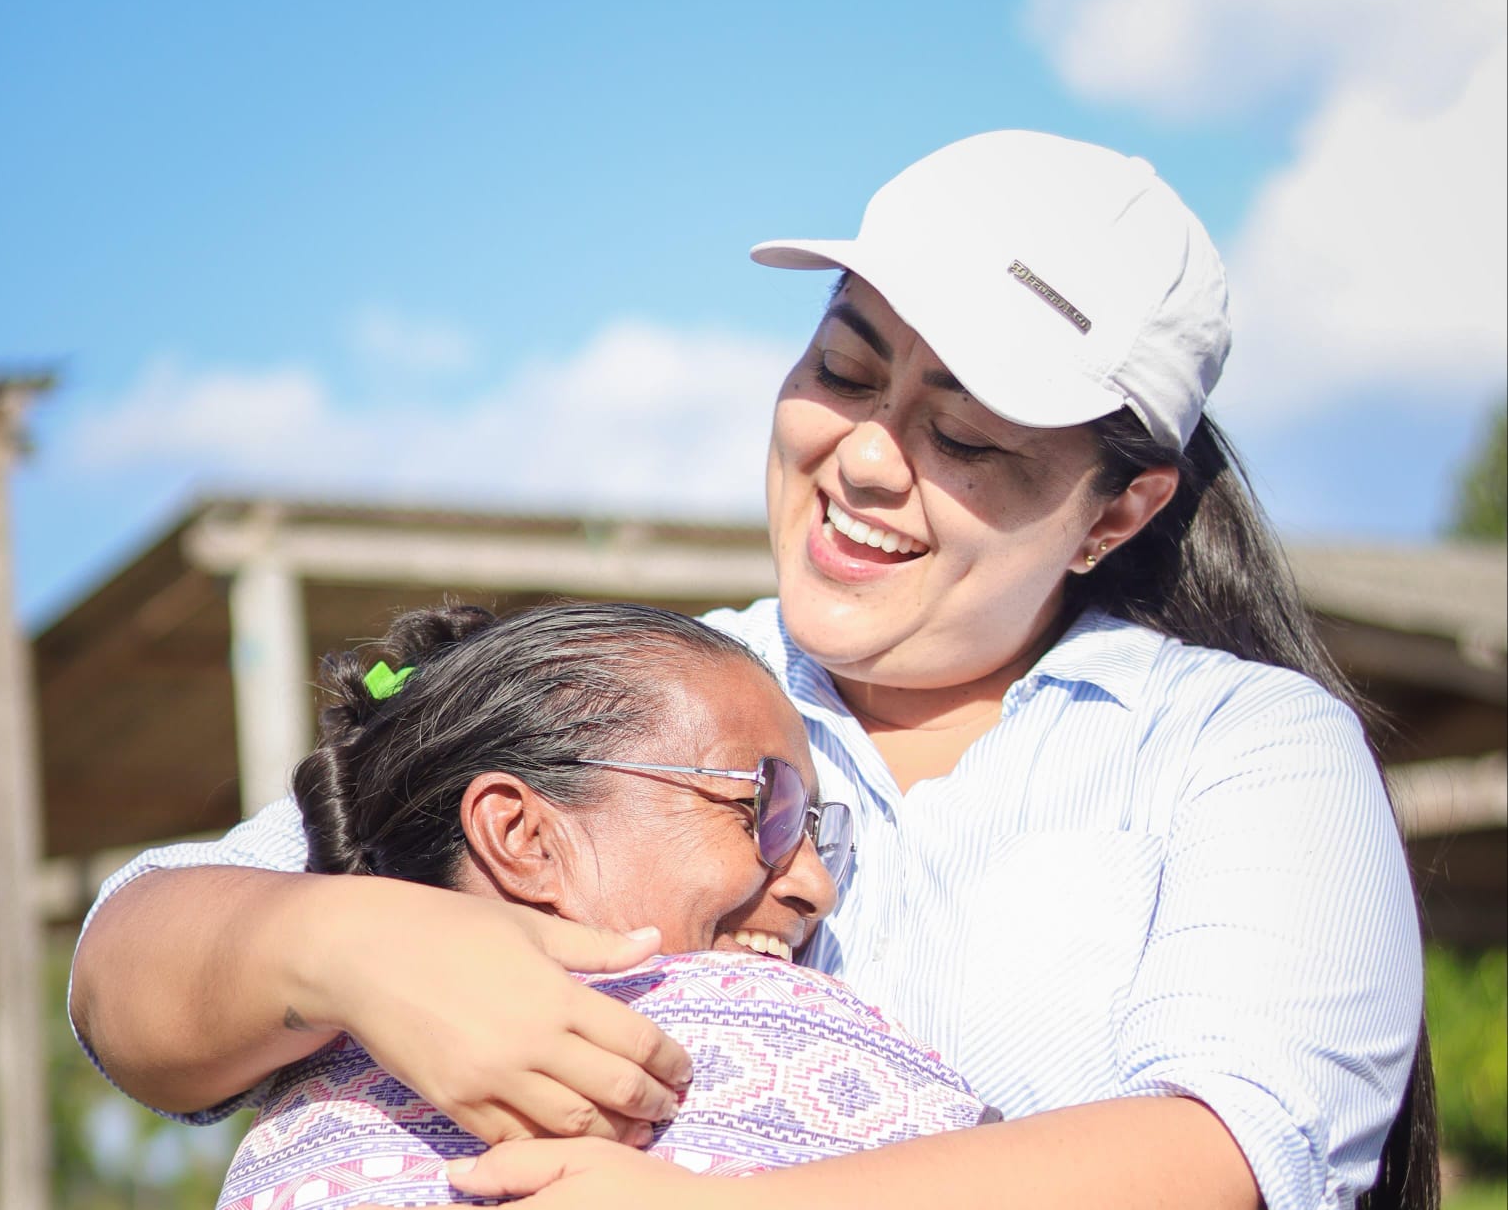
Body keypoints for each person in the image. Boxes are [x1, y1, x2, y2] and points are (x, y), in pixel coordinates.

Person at [70, 130, 1437, 1210]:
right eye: (845, 366)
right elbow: (132, 974)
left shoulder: (1234, 745)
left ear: (1114, 511)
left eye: (964, 439)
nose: (863, 453)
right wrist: (346, 941)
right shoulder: (650, 689)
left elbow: (1224, 1156)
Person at [209, 600, 984, 1209]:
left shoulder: (285, 1102)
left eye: (818, 830)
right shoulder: (803, 1036)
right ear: (520, 834)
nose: (818, 884)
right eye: (769, 808)